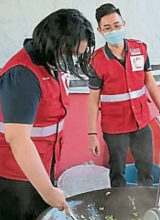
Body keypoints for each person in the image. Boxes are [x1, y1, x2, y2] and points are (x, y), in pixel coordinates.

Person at [0, 9, 95, 219]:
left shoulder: (54, 65)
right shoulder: (23, 75)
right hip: (15, 176)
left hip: (42, 166)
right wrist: (47, 190)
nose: (72, 61)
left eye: (77, 55)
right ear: (52, 43)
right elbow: (18, 139)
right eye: (71, 54)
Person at [88, 3, 160, 188]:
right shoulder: (96, 60)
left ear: (123, 24)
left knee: (146, 169)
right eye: (107, 28)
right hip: (114, 126)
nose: (114, 30)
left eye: (117, 25)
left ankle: (145, 210)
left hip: (141, 121)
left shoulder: (140, 49)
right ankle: (120, 211)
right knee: (117, 172)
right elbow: (93, 100)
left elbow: (150, 81)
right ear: (100, 30)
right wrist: (92, 133)